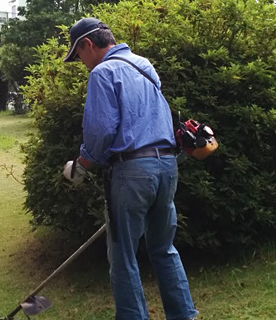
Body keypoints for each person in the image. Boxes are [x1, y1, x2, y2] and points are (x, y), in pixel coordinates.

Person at [62, 17, 199, 320]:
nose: (81, 63)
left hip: (132, 172)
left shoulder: (103, 72)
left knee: (123, 257)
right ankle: (184, 316)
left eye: (79, 56)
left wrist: (81, 166)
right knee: (164, 249)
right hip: (167, 166)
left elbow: (100, 133)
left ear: (87, 44)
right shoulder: (144, 65)